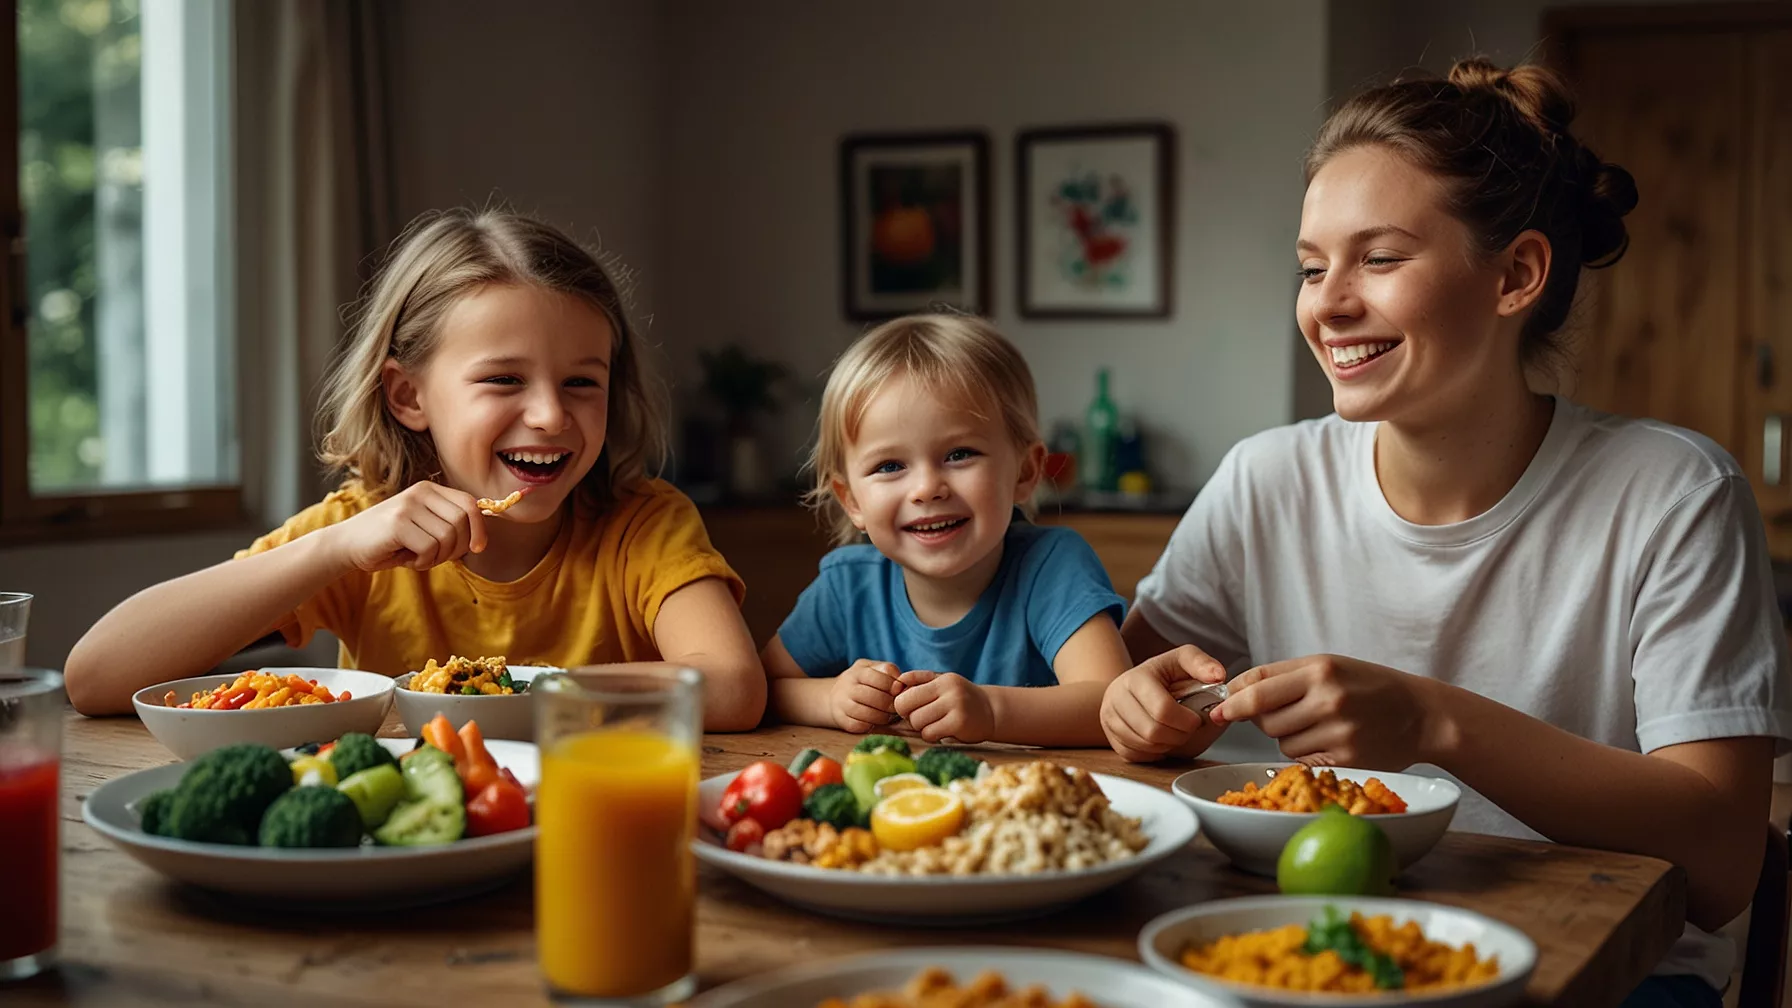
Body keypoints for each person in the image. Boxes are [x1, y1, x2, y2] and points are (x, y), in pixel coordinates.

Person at [1099, 58, 1792, 1006]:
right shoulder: (1264, 479)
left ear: (1516, 274)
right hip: (1307, 948)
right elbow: (1133, 714)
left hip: (1612, 974)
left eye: (1379, 259)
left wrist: (1432, 723)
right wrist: (1138, 706)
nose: (1327, 303)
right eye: (1310, 267)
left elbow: (1722, 865)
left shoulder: (1676, 494)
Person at [65, 209, 765, 730]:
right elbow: (94, 678)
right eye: (503, 380)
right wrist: (334, 550)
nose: (551, 415)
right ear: (408, 395)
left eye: (583, 382)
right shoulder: (359, 531)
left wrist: (509, 690)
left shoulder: (643, 524)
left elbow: (733, 686)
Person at [763, 314, 1129, 746]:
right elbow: (759, 688)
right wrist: (829, 698)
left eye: (959, 454)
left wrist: (992, 711)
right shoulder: (846, 586)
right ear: (853, 501)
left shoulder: (1052, 566)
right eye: (890, 466)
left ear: (1026, 471)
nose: (926, 489)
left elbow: (1113, 705)